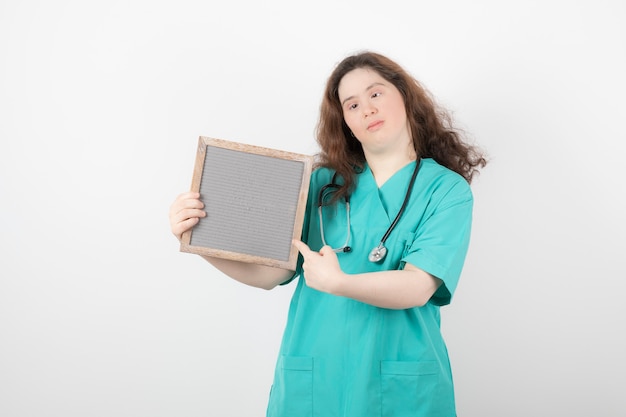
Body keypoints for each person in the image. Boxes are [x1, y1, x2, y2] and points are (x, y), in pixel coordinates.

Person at [169, 51, 487, 417]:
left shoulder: (446, 190)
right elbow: (270, 273)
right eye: (351, 104)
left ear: (404, 95)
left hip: (400, 384)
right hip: (315, 379)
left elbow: (418, 286)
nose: (366, 109)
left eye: (376, 94)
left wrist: (339, 282)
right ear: (345, 122)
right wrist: (199, 241)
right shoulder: (320, 185)